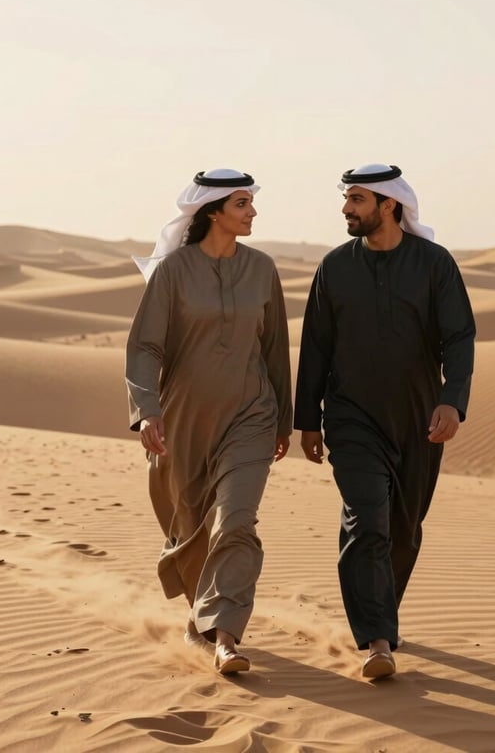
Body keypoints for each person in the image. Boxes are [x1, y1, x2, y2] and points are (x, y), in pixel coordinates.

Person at [294, 163, 475, 679]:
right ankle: (377, 641)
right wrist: (310, 420)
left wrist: (452, 400)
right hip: (352, 417)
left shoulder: (434, 264)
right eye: (347, 199)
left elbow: (459, 336)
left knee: (404, 530)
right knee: (367, 518)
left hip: (419, 419)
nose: (346, 209)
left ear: (388, 205)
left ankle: (379, 613)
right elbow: (315, 347)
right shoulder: (334, 267)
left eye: (356, 200)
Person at [126, 168, 292, 675]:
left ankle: (225, 637)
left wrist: (283, 418)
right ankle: (200, 619)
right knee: (191, 524)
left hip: (251, 415)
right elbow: (145, 346)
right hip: (182, 420)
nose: (253, 212)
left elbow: (276, 349)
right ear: (212, 212)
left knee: (236, 520)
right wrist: (146, 410)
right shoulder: (174, 271)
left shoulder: (262, 269)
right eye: (242, 204)